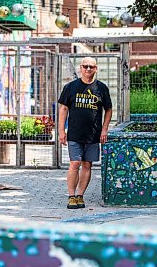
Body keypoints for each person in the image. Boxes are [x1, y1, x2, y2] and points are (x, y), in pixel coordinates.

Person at [58, 57, 113, 209]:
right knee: (74, 163)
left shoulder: (101, 88)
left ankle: (80, 196)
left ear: (96, 69)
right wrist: (61, 131)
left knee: (87, 165)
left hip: (93, 134)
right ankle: (71, 196)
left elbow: (108, 109)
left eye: (91, 67)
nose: (88, 69)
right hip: (74, 133)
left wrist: (104, 129)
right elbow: (63, 109)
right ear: (80, 68)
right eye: (85, 66)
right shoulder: (70, 87)